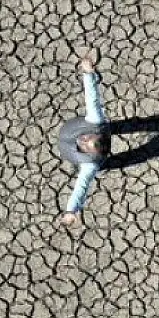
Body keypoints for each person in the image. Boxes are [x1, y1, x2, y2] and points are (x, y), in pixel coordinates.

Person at [56, 48, 109, 227]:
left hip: (69, 150)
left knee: (100, 168)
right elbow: (91, 98)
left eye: (87, 144)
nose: (84, 140)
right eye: (88, 138)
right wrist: (88, 72)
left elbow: (81, 187)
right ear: (95, 133)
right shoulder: (96, 122)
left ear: (93, 153)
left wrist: (71, 210)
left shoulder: (90, 164)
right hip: (68, 132)